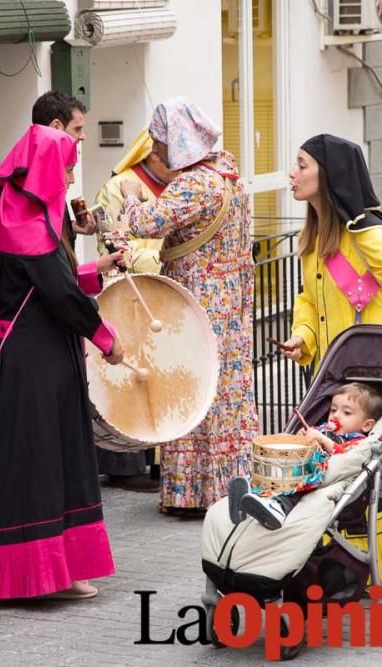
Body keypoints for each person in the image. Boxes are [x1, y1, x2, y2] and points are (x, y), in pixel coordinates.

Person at [0, 124, 125, 601]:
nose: (72, 177)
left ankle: (21, 569)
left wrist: (96, 270)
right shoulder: (30, 229)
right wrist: (106, 338)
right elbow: (59, 294)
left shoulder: (12, 219)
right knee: (48, 463)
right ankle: (48, 573)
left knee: (23, 461)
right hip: (38, 366)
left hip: (23, 361)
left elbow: (48, 284)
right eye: (69, 167)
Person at [280, 134, 382, 581]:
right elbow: (308, 301)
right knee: (335, 464)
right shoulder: (312, 238)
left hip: (374, 375)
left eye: (301, 164)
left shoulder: (364, 232)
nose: (293, 173)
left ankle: (377, 560)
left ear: (326, 175)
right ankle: (336, 557)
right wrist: (301, 337)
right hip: (333, 375)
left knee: (376, 470)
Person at [119, 97, 259, 514]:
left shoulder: (194, 184)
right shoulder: (227, 173)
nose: (156, 153)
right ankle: (228, 486)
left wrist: (130, 195)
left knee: (190, 388)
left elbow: (144, 224)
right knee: (225, 395)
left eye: (161, 144)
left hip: (197, 302)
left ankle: (192, 492)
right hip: (230, 305)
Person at [90, 129, 178, 492]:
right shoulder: (118, 188)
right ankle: (125, 464)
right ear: (153, 156)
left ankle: (159, 458)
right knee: (129, 373)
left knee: (159, 371)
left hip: (163, 291)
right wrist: (165, 259)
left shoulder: (176, 187)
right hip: (127, 290)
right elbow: (116, 244)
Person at [232, 382, 382, 530]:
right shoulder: (323, 429)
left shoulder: (357, 440)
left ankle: (279, 507)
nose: (335, 416)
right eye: (333, 410)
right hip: (299, 462)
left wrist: (323, 439)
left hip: (316, 473)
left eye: (346, 413)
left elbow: (345, 456)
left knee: (295, 484)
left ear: (366, 425)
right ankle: (249, 493)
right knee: (275, 464)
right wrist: (303, 436)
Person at [94, 128, 176, 274]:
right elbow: (116, 249)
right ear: (155, 154)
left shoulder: (183, 187)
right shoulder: (115, 188)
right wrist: (175, 261)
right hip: (133, 288)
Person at [31, 91, 97, 246]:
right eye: (77, 129)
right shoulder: (35, 174)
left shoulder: (43, 163)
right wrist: (94, 268)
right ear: (56, 127)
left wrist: (72, 228)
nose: (83, 136)